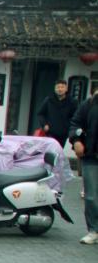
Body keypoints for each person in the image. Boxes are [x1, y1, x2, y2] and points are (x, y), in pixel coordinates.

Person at [69, 88, 98, 244]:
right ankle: (93, 230)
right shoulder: (89, 104)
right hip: (91, 156)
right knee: (91, 196)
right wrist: (77, 141)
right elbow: (75, 124)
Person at [35, 79, 78, 146]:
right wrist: (44, 124)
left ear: (66, 89)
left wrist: (69, 127)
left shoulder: (72, 102)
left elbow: (75, 117)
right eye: (58, 87)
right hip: (50, 132)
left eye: (62, 87)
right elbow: (40, 114)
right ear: (55, 89)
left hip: (64, 134)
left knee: (59, 151)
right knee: (50, 151)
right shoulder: (49, 100)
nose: (60, 89)